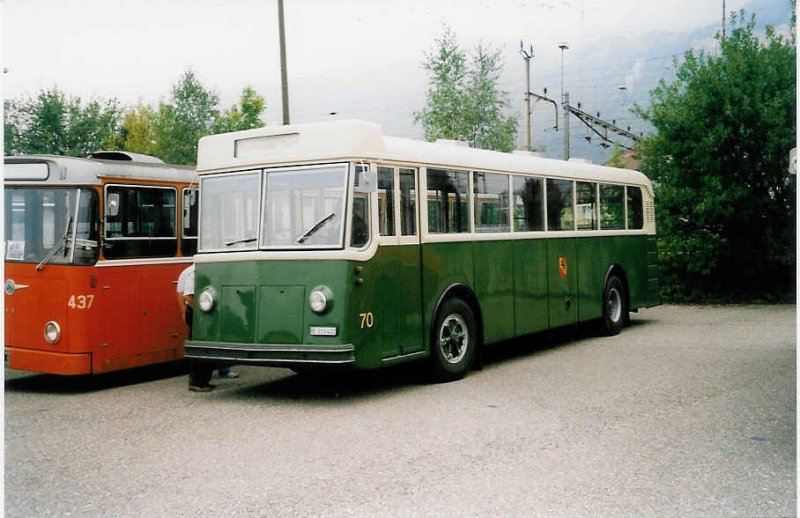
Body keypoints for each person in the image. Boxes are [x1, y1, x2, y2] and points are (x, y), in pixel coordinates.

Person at [177, 264, 237, 391]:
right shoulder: (195, 273)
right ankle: (197, 381)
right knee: (203, 347)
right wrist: (201, 312)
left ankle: (202, 380)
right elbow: (188, 296)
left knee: (203, 346)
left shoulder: (200, 271)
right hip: (198, 313)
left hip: (199, 313)